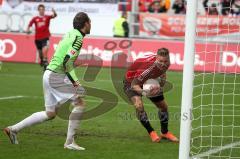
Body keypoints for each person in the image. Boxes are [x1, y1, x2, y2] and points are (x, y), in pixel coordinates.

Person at [4, 12, 91, 151]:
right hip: (56, 76)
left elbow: (65, 57)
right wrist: (76, 83)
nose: (90, 25)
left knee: (50, 113)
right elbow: (67, 62)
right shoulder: (79, 38)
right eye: (90, 22)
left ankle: (13, 129)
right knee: (80, 103)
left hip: (48, 74)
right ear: (85, 24)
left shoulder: (70, 33)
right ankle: (69, 143)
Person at [123, 48, 178, 143]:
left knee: (163, 107)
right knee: (139, 106)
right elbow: (134, 85)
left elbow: (162, 74)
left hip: (149, 81)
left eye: (165, 61)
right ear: (156, 58)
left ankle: (165, 132)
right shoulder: (147, 69)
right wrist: (146, 92)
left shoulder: (166, 63)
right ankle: (151, 132)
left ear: (168, 59)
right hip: (131, 81)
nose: (163, 64)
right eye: (160, 61)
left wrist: (159, 85)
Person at [26, 4, 57, 71]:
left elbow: (54, 16)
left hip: (45, 37)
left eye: (42, 9)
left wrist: (54, 12)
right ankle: (43, 60)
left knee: (44, 50)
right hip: (37, 38)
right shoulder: (35, 18)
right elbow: (30, 24)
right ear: (38, 10)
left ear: (44, 10)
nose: (41, 11)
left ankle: (45, 65)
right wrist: (28, 30)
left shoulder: (47, 17)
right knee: (40, 54)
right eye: (40, 9)